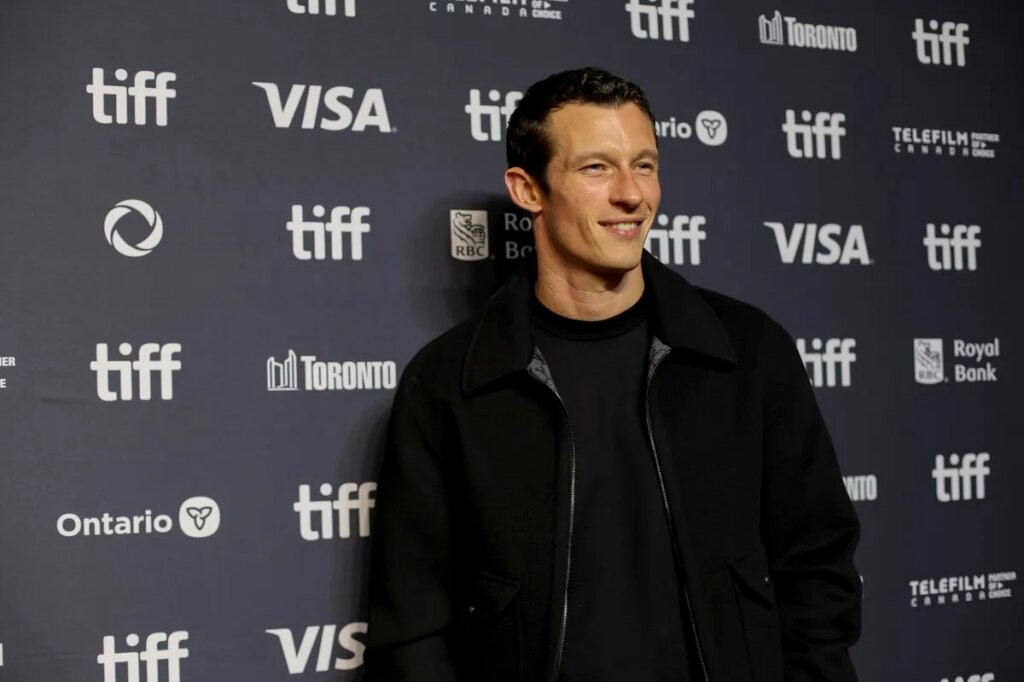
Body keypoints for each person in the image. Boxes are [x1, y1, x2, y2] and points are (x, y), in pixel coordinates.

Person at [365, 67, 861, 682]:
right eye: (597, 168)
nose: (632, 195)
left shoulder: (748, 351)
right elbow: (412, 623)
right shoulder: (448, 382)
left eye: (645, 165)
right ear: (528, 189)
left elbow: (817, 567)